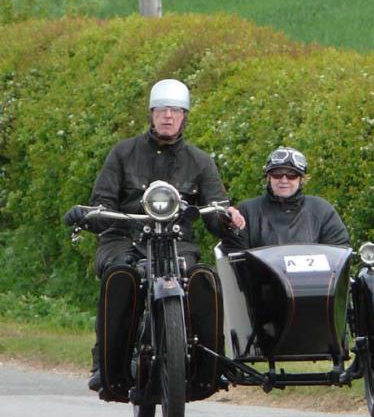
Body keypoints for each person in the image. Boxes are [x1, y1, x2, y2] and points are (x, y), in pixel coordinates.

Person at [65, 78, 244, 393]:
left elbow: (217, 209)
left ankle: (211, 367)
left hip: (177, 241)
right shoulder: (123, 153)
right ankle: (105, 362)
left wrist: (229, 217)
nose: (168, 116)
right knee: (120, 275)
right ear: (151, 114)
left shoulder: (200, 161)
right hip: (125, 237)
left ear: (184, 116)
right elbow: (102, 200)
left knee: (203, 279)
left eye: (175, 110)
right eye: (161, 109)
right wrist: (90, 215)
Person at [221, 146, 349, 253]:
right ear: (268, 177)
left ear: (301, 179)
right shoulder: (247, 211)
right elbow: (234, 256)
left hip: (314, 276)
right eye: (277, 174)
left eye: (292, 175)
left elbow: (338, 252)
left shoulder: (321, 210)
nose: (284, 180)